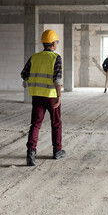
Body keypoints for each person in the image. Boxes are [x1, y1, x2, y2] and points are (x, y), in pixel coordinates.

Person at [21, 29, 66, 166]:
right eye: (56, 42)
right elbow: (57, 79)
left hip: (37, 96)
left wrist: (30, 82)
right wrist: (59, 97)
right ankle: (57, 151)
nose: (56, 44)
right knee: (56, 123)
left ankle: (31, 152)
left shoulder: (34, 57)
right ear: (53, 43)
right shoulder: (56, 58)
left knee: (35, 124)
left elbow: (24, 74)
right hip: (51, 96)